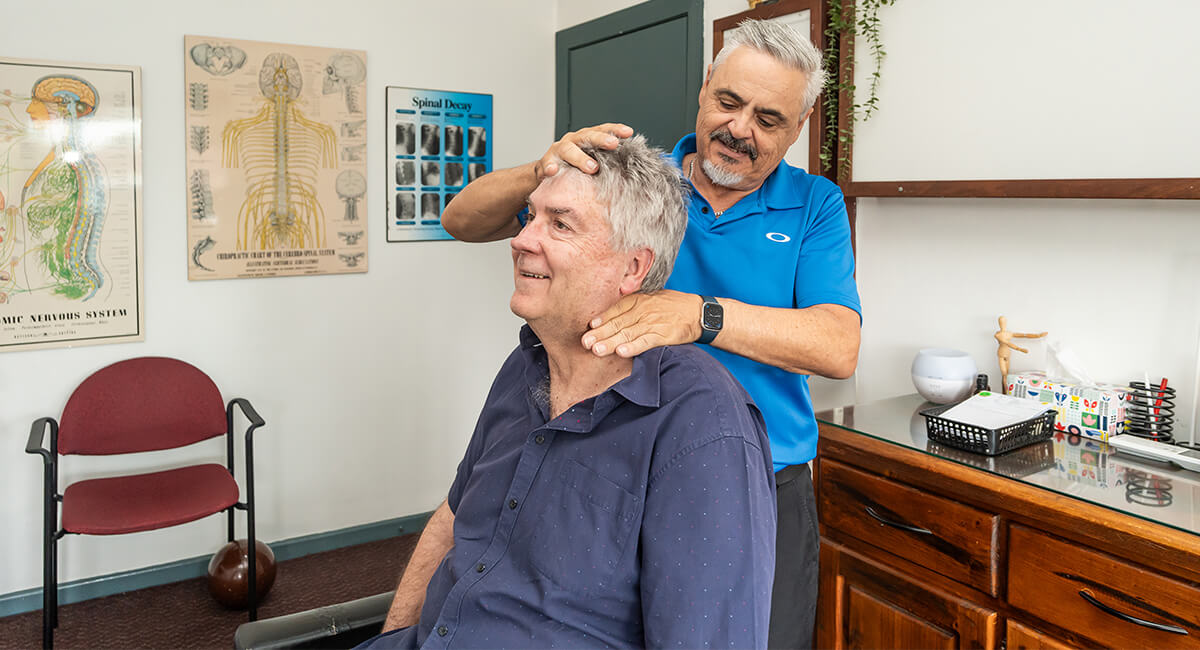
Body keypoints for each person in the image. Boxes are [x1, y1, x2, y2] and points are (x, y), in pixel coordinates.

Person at [440, 19, 862, 649]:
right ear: (704, 89)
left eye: (769, 119)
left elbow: (838, 346)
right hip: (616, 463)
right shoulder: (645, 185)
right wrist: (545, 168)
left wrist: (699, 315)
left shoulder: (814, 206)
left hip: (765, 478)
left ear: (797, 130)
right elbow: (462, 220)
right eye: (729, 102)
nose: (741, 129)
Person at [364, 136, 777, 649]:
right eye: (529, 217)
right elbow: (453, 519)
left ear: (633, 268)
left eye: (559, 224)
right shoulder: (524, 366)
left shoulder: (702, 424)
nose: (521, 239)